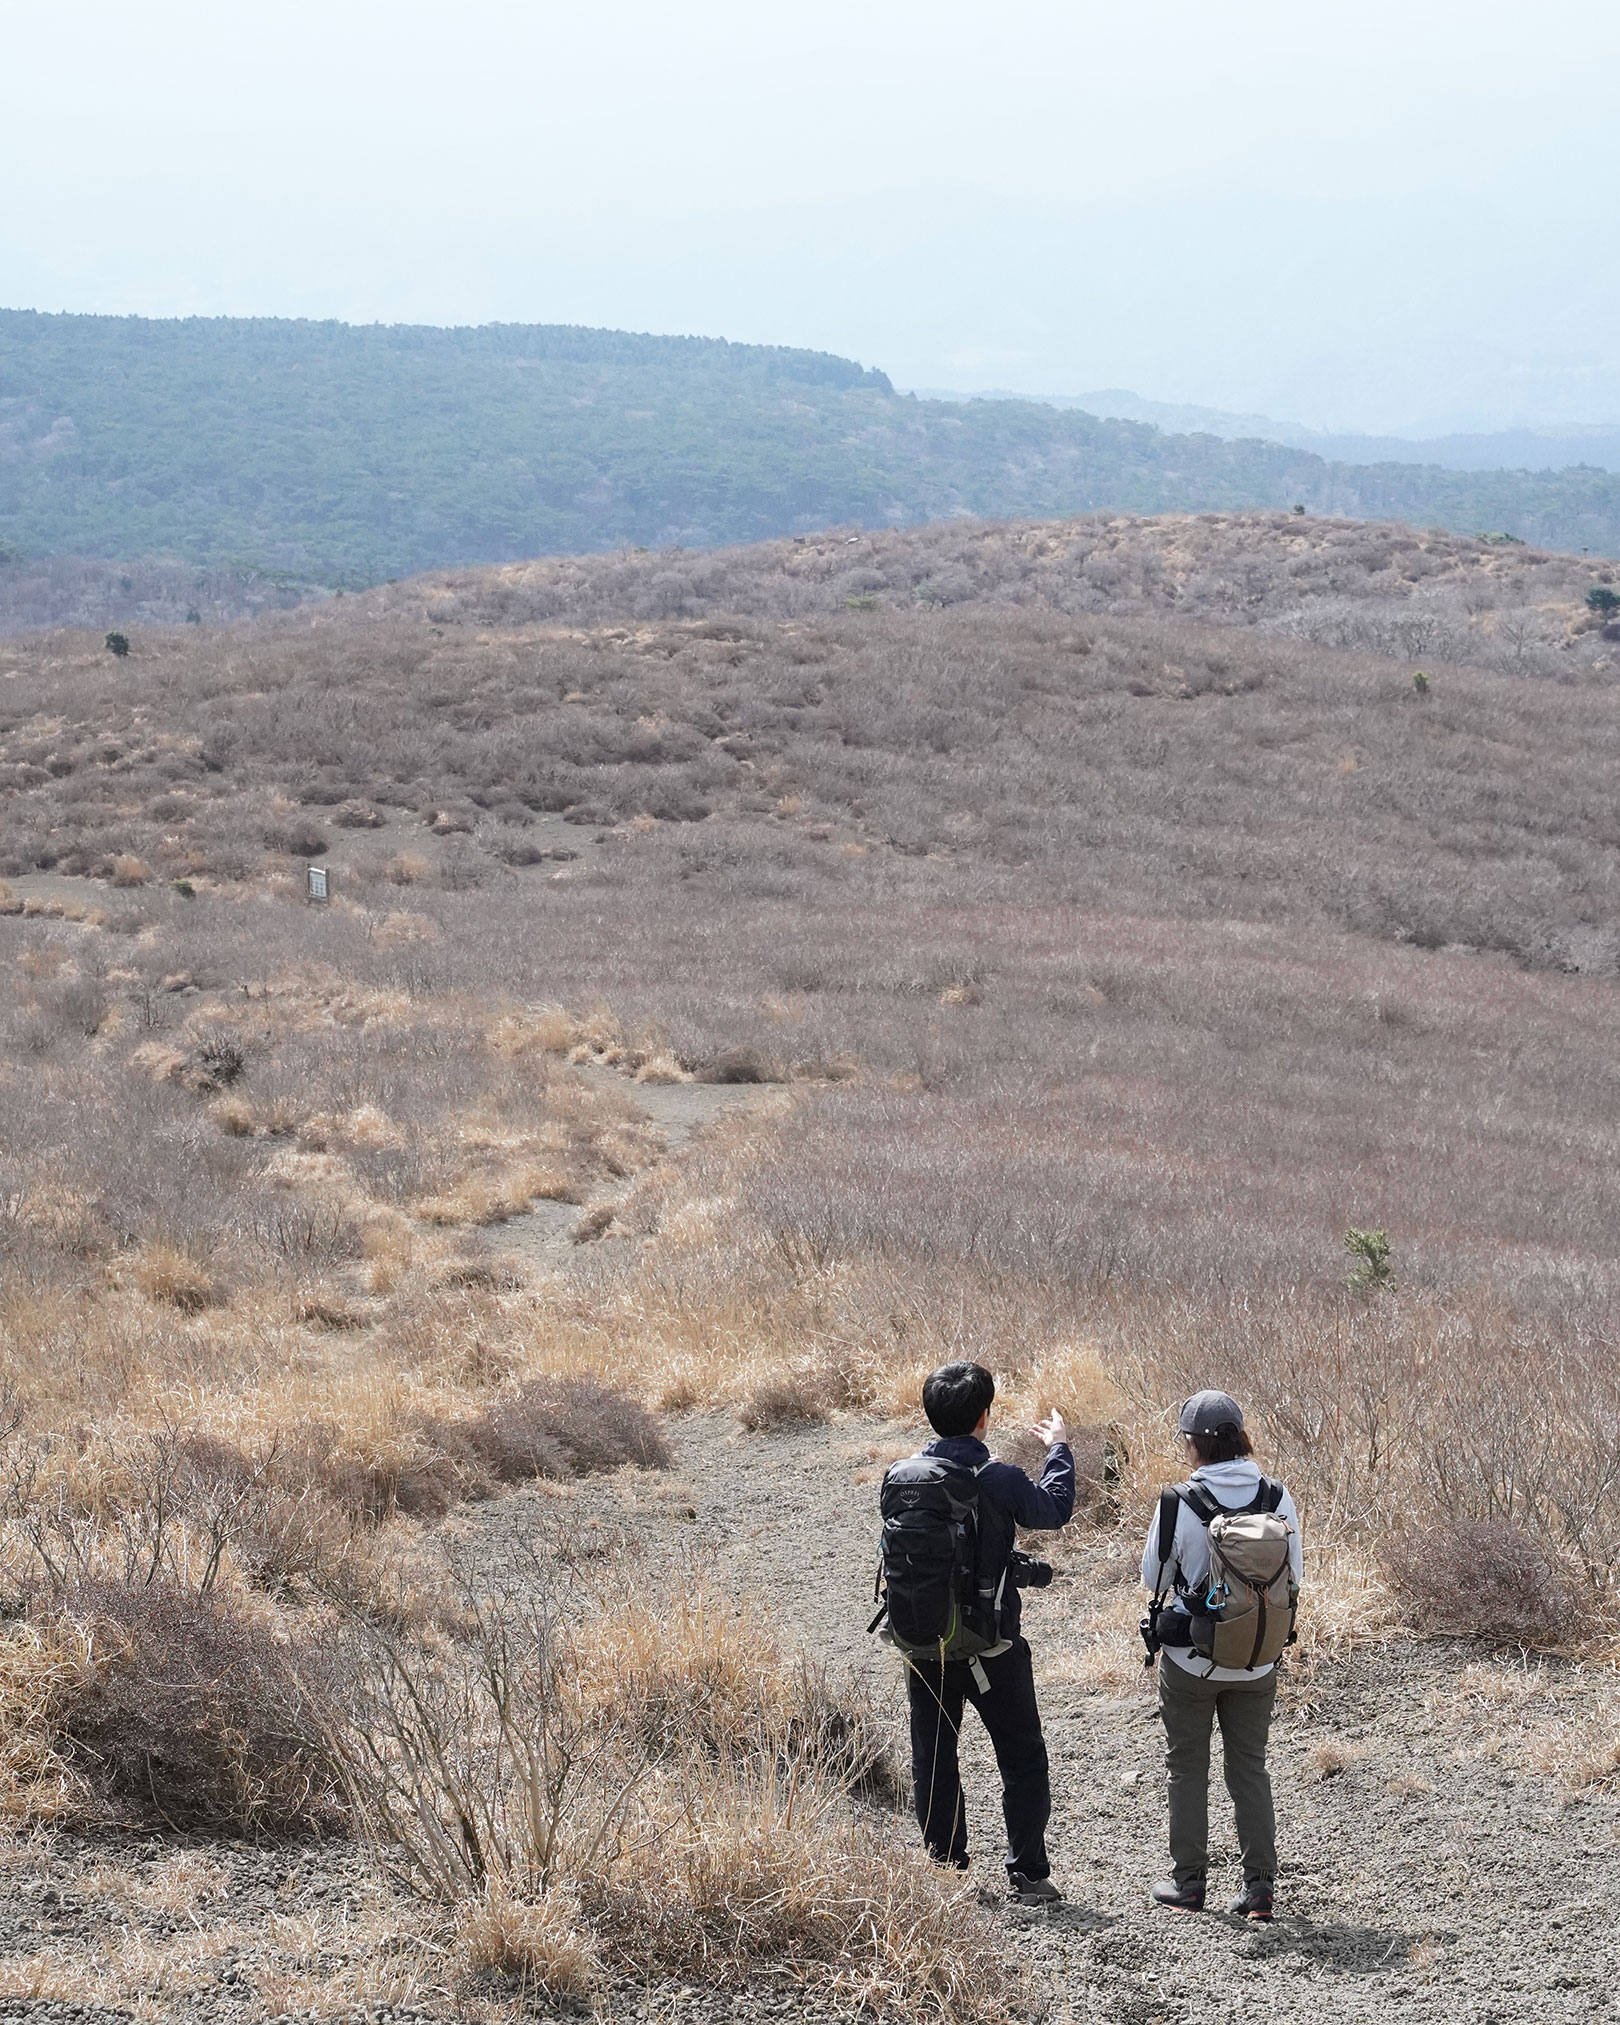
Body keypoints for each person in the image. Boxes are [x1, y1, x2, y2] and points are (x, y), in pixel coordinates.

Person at [897, 1361, 1074, 1904]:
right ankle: (1028, 1874)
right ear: (984, 1416)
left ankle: (946, 1868)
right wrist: (1059, 1448)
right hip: (993, 1646)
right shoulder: (997, 1477)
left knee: (934, 1755)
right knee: (1021, 1757)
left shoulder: (903, 1475)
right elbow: (1055, 1510)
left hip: (925, 1644)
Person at [1140, 1390, 1302, 1921]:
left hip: (1191, 1660)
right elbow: (1293, 1579)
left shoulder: (1177, 1502)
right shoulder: (1277, 1498)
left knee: (1187, 1768)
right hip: (1259, 1659)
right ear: (1240, 1436)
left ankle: (1189, 1884)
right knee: (1249, 1768)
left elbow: (1153, 1579)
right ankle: (1259, 1889)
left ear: (1192, 1444)